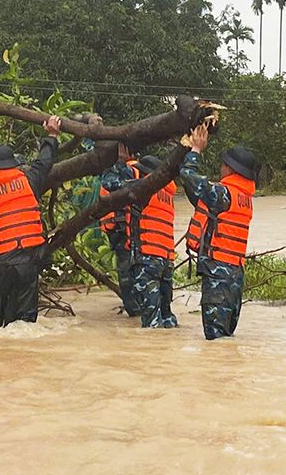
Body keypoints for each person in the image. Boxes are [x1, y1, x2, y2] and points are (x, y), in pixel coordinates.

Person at [0, 115, 61, 330]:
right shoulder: (28, 181)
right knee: (23, 326)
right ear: (14, 165)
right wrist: (52, 135)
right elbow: (44, 162)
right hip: (26, 265)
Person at [180, 125, 256, 340]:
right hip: (235, 274)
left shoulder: (222, 194)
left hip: (218, 274)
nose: (221, 169)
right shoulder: (245, 199)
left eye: (223, 165)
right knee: (225, 338)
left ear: (231, 170)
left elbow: (187, 176)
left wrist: (195, 149)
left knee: (215, 340)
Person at [104, 154, 177, 328]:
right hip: (167, 260)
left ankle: (152, 351)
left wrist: (120, 163)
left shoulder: (143, 188)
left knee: (151, 322)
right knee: (166, 316)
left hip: (148, 259)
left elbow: (109, 183)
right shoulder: (167, 193)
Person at [99, 144, 141, 316]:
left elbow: (108, 183)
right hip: (130, 235)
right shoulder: (142, 171)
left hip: (125, 236)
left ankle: (136, 314)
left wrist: (119, 164)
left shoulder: (129, 172)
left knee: (127, 280)